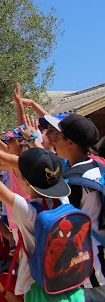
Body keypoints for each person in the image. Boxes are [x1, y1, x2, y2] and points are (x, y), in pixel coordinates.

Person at [0, 119, 83, 301]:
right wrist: (33, 139)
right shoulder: (63, 200)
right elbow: (45, 162)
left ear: (24, 181)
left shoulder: (28, 211)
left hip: (42, 288)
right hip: (72, 285)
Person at [56, 113, 105, 301]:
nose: (55, 141)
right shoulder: (99, 168)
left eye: (59, 137)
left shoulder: (71, 182)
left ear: (70, 143)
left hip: (91, 267)